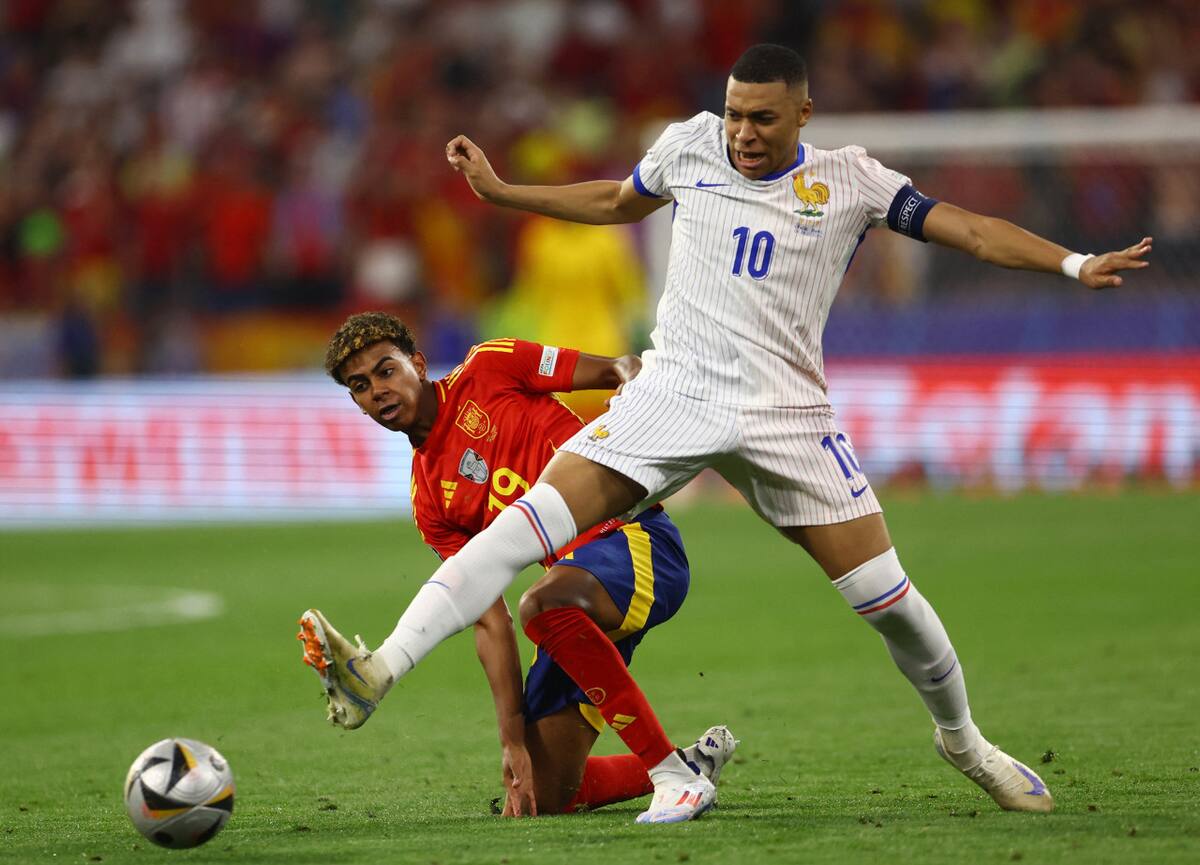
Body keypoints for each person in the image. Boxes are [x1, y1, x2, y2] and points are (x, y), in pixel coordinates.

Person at [304, 45, 1154, 819]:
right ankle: (379, 669)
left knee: (890, 603)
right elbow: (612, 199)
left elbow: (968, 228)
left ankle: (964, 740)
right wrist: (500, 191)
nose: (743, 132)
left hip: (787, 414)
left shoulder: (851, 180)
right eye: (735, 112)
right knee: (513, 536)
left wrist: (1074, 263)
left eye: (763, 118)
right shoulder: (690, 145)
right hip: (674, 391)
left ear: (803, 116)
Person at [298, 312, 736, 822]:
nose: (378, 390)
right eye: (361, 385)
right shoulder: (430, 503)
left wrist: (634, 393)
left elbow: (620, 366)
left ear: (417, 363)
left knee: (542, 605)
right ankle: (689, 764)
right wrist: (512, 743)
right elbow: (488, 620)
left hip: (637, 541)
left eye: (387, 370)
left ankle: (672, 777)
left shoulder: (491, 367)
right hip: (575, 602)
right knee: (545, 795)